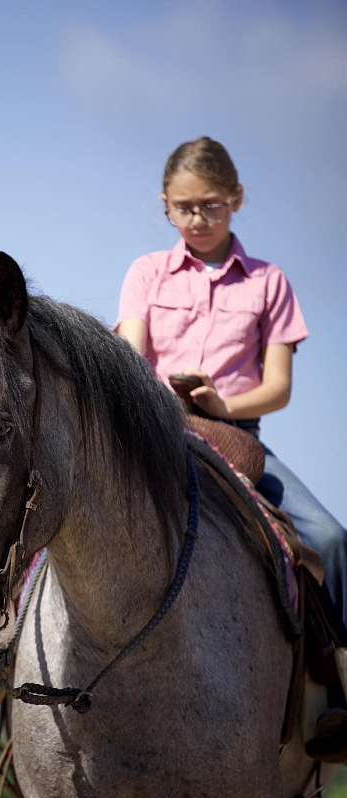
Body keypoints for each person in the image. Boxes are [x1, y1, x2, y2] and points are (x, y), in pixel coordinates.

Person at [115, 136, 347, 763]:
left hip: (238, 439)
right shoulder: (145, 273)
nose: (199, 219)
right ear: (165, 207)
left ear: (237, 199)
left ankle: (342, 694)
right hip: (160, 434)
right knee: (73, 496)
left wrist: (222, 407)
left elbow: (278, 389)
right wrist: (165, 400)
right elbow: (134, 360)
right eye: (185, 208)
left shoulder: (270, 283)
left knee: (329, 538)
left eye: (212, 206)